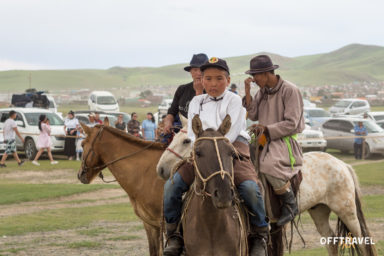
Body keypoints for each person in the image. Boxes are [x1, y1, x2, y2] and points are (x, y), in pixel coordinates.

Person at [163, 58, 268, 256]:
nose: (213, 83)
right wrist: (199, 147)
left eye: (219, 78)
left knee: (250, 188)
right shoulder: (196, 102)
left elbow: (233, 129)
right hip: (202, 150)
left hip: (233, 147)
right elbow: (192, 133)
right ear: (201, 81)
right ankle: (174, 235)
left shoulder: (234, 100)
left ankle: (259, 234)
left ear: (227, 80)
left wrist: (214, 145)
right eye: (208, 78)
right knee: (171, 186)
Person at [243, 55, 305, 227]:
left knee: (267, 165)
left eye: (255, 76)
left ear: (266, 73)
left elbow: (292, 123)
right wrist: (248, 92)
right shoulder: (263, 91)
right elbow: (253, 114)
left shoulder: (290, 90)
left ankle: (290, 204)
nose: (254, 80)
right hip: (264, 139)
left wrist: (267, 129)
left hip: (284, 141)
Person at [163, 53, 208, 134]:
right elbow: (172, 112)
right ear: (190, 72)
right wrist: (168, 123)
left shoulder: (212, 91)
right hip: (181, 130)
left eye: (201, 70)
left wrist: (199, 91)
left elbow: (203, 117)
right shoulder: (182, 89)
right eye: (195, 70)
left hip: (203, 133)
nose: (198, 73)